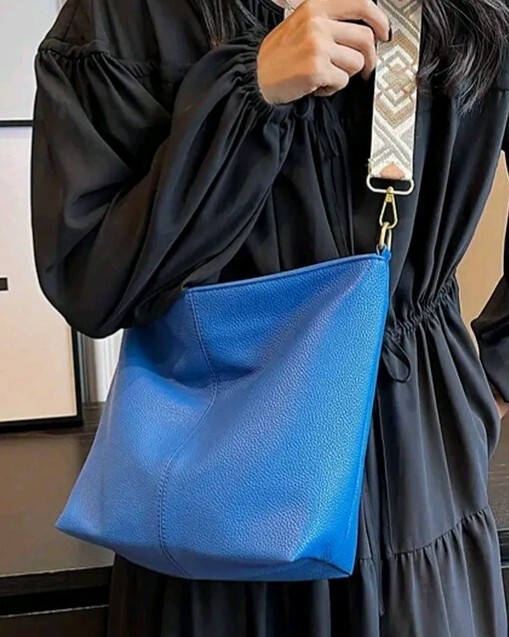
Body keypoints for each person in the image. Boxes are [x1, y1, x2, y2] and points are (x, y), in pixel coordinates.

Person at [30, 0, 509, 634]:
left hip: (419, 479)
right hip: (215, 494)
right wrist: (249, 94)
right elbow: (91, 281)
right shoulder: (127, 15)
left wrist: (490, 380)